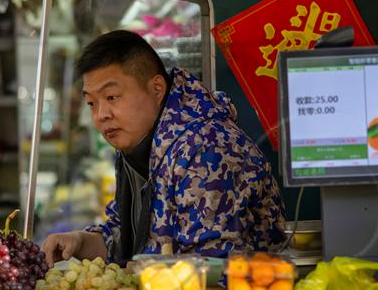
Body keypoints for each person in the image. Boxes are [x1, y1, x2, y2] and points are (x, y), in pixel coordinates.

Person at [43, 30, 285, 265]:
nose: (101, 115)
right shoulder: (142, 145)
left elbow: (210, 268)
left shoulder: (204, 148)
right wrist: (79, 241)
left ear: (157, 89)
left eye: (112, 97)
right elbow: (127, 239)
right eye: (91, 103)